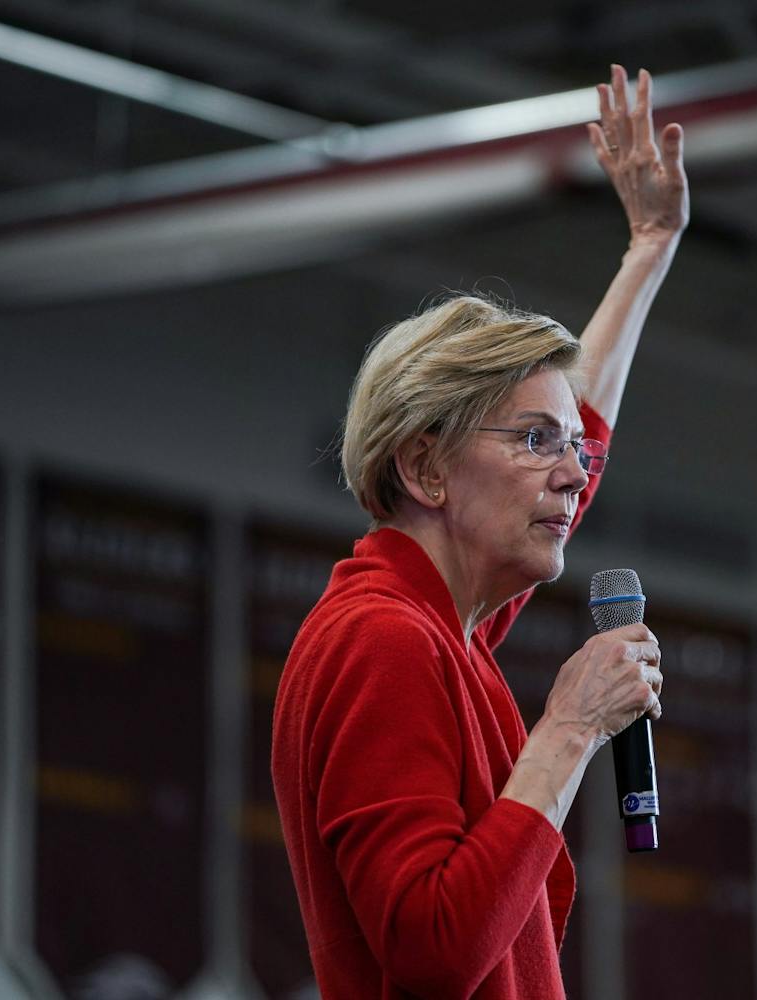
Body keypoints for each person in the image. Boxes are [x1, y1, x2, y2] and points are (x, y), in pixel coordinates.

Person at [271, 64, 688, 999]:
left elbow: (590, 432)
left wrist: (649, 246)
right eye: (537, 442)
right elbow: (431, 950)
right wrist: (572, 727)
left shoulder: (439, 631)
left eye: (571, 448)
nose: (575, 474)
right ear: (424, 468)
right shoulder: (384, 642)